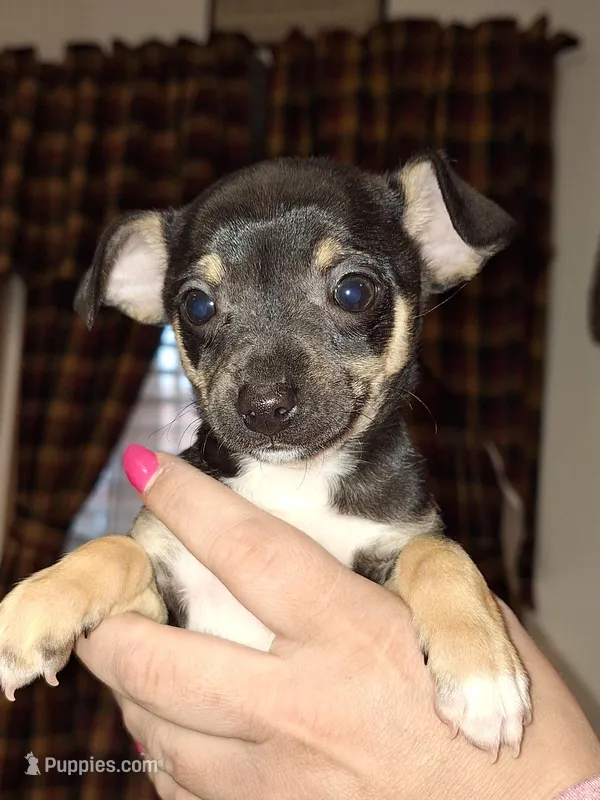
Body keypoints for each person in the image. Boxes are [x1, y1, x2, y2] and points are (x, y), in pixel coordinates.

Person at [77, 447, 600, 800]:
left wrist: (441, 576)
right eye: (203, 308)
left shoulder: (398, 518)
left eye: (351, 293)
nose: (267, 387)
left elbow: (417, 557)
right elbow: (143, 596)